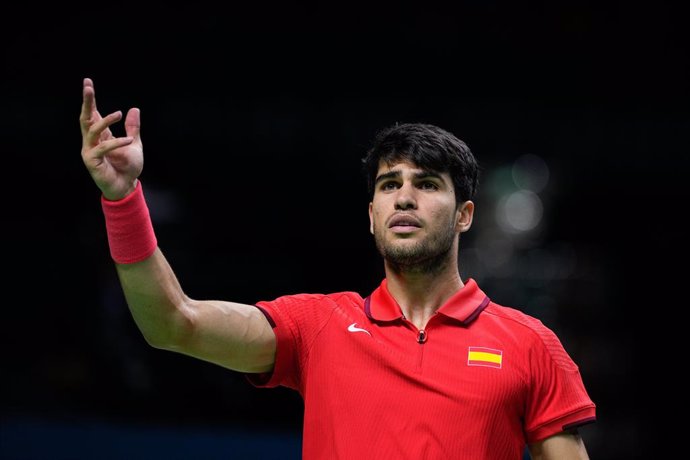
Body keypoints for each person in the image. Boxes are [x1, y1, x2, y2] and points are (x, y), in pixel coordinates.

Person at [79, 77, 596, 460]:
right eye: (389, 185)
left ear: (465, 215)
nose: (405, 198)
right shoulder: (318, 328)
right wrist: (123, 199)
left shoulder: (530, 346)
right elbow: (173, 323)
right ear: (372, 217)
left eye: (428, 184)